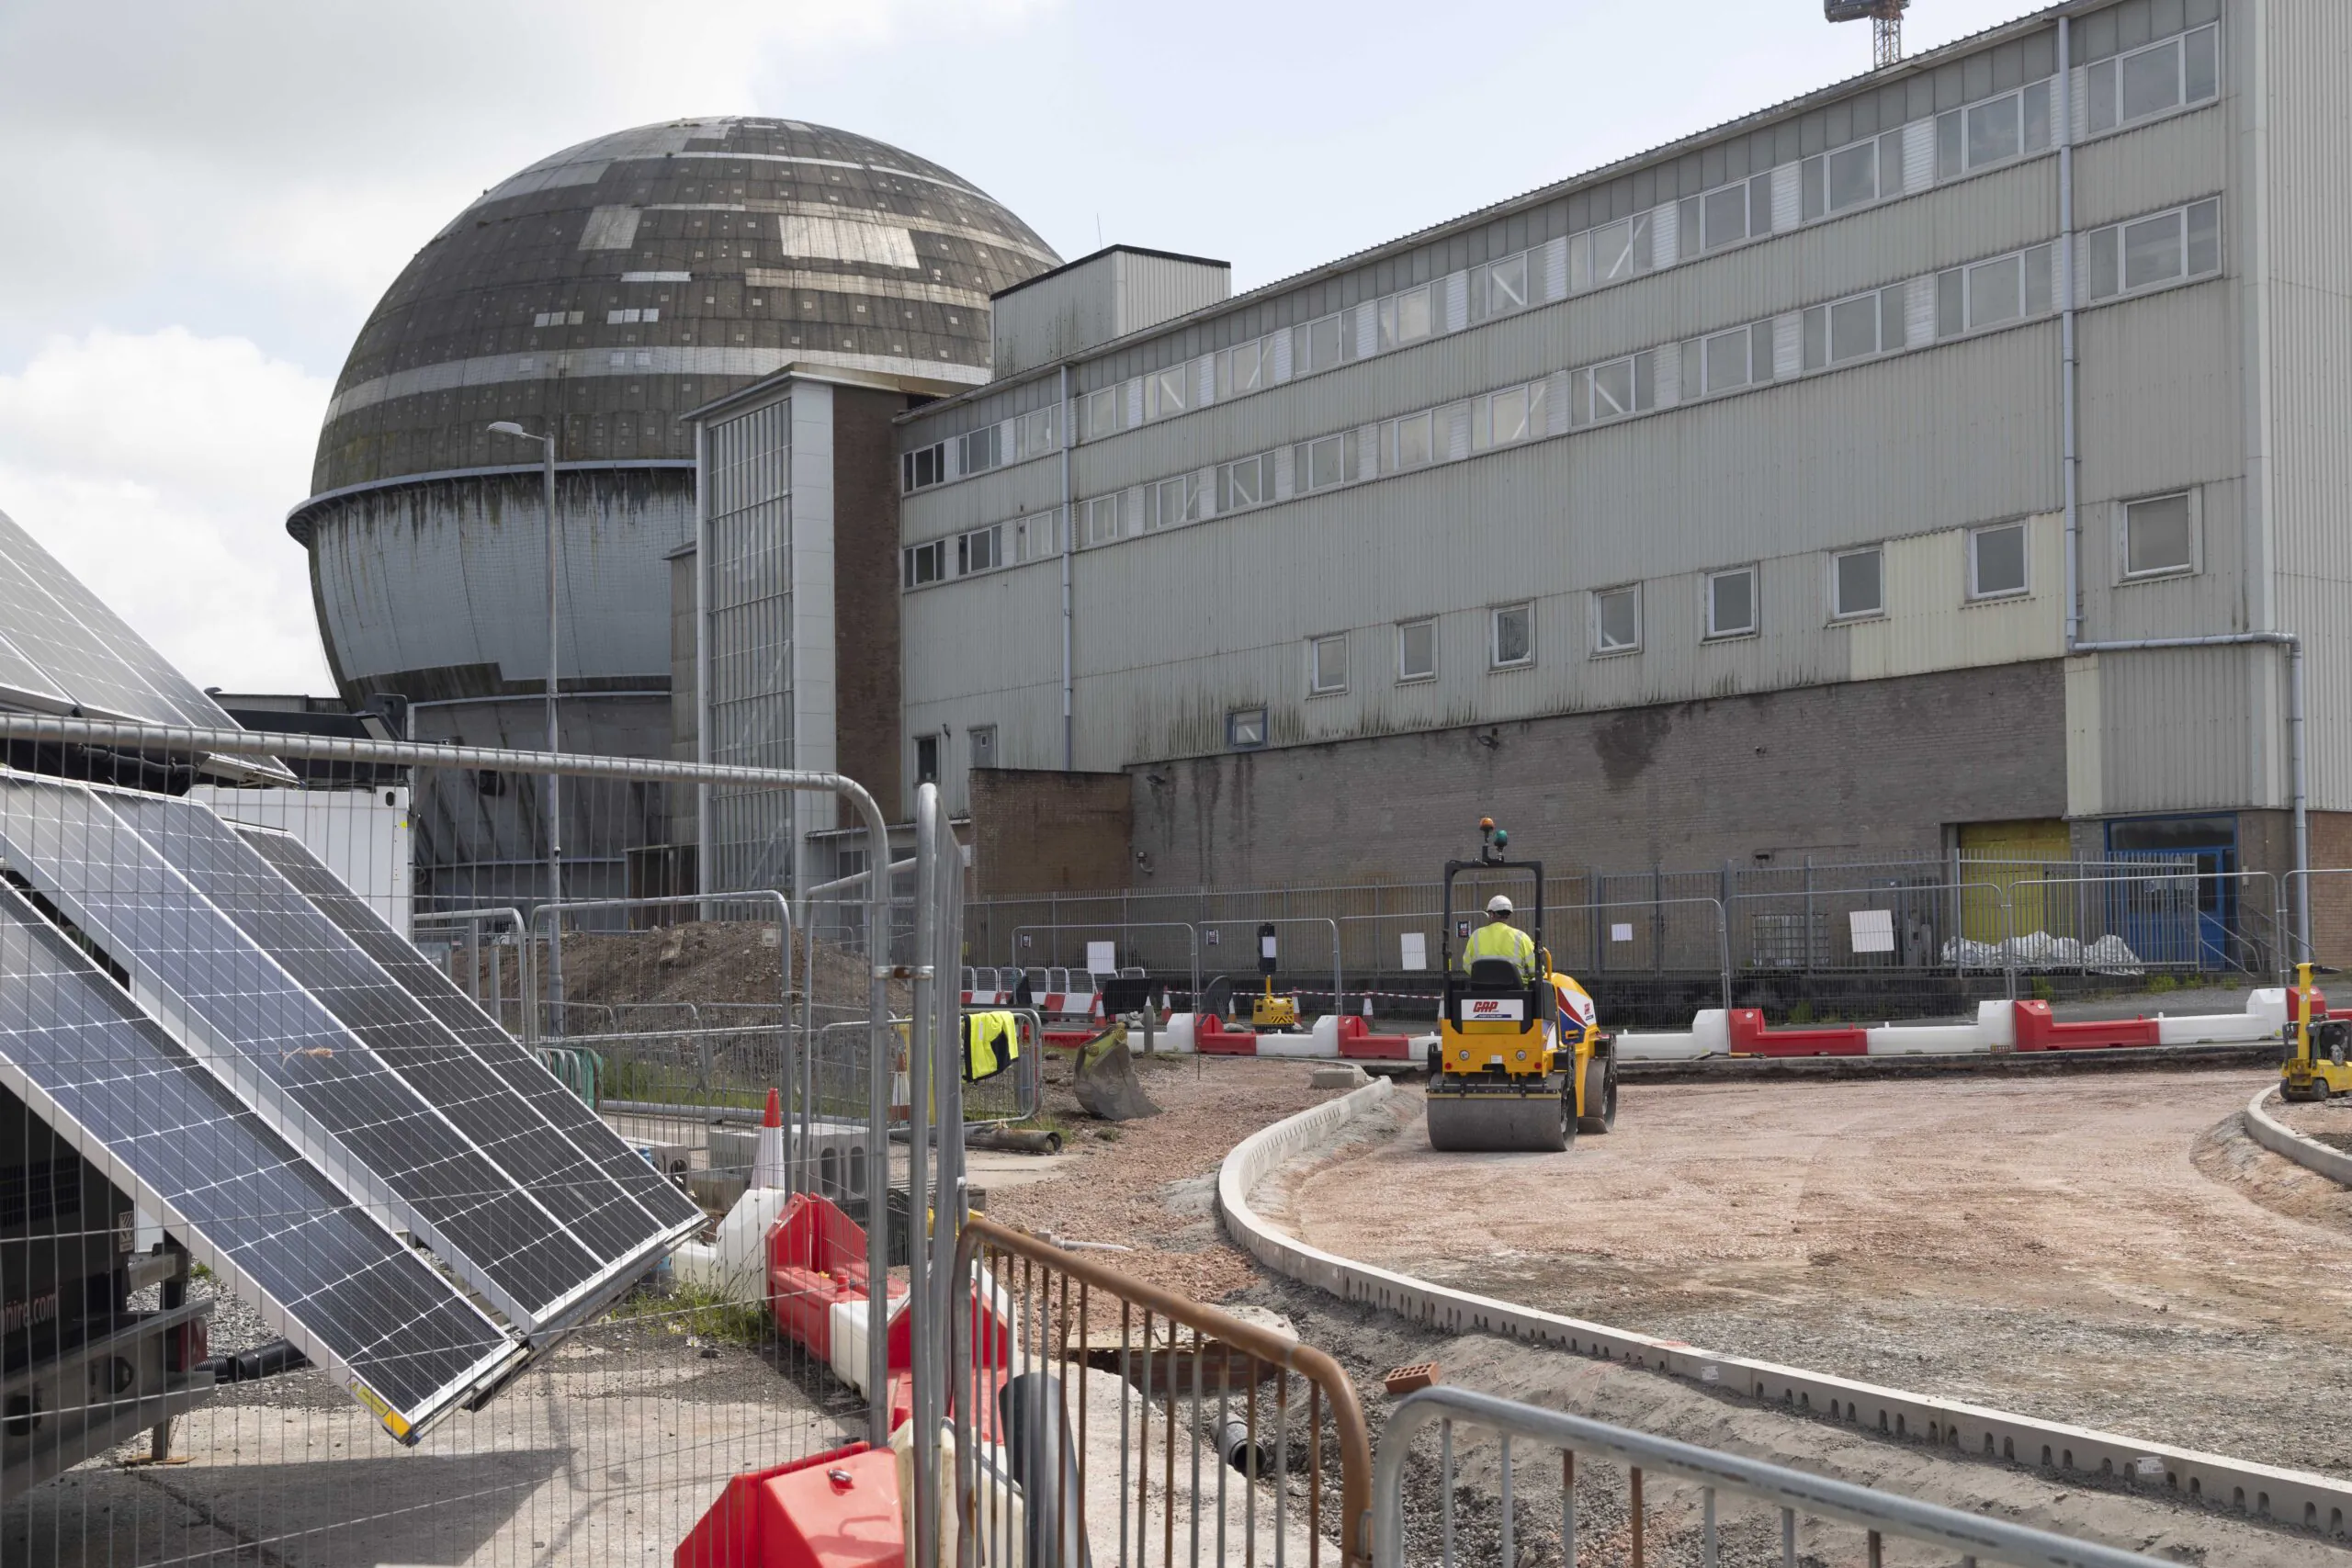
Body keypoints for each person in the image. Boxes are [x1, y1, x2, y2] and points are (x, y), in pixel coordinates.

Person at [1460, 894, 1537, 981]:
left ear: (1491, 914)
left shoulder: (1476, 935)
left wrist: (1481, 977)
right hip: (1515, 991)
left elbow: (1466, 964)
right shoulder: (1521, 937)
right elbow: (1534, 969)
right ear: (1508, 914)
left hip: (1483, 989)